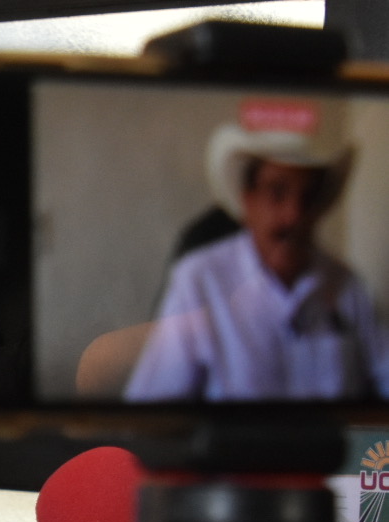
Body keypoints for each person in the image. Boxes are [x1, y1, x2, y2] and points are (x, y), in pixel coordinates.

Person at [124, 113, 389, 401]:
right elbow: (153, 411)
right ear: (248, 200)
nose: (293, 215)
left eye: (307, 198)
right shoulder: (199, 279)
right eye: (277, 193)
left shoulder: (347, 287)